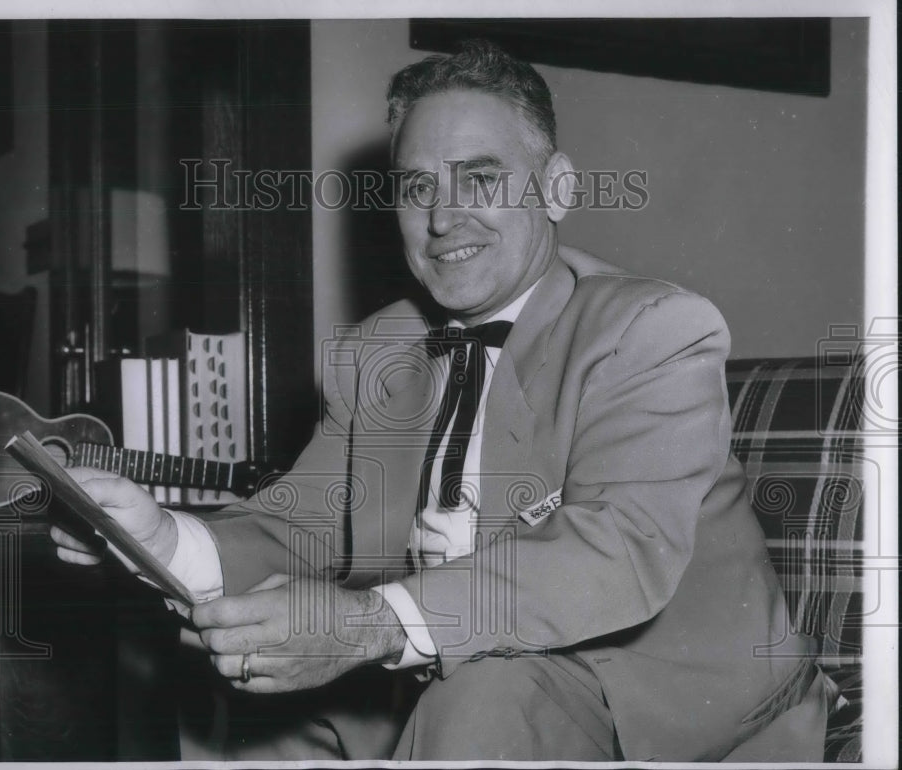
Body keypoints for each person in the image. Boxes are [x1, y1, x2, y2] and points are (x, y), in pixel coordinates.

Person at [52, 40, 836, 761]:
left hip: (668, 717)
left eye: (482, 178)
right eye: (417, 187)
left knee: (486, 690)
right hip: (464, 683)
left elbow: (616, 549)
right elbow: (302, 524)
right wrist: (163, 537)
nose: (442, 217)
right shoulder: (378, 351)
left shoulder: (653, 330)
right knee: (243, 707)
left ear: (557, 188)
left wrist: (368, 625)